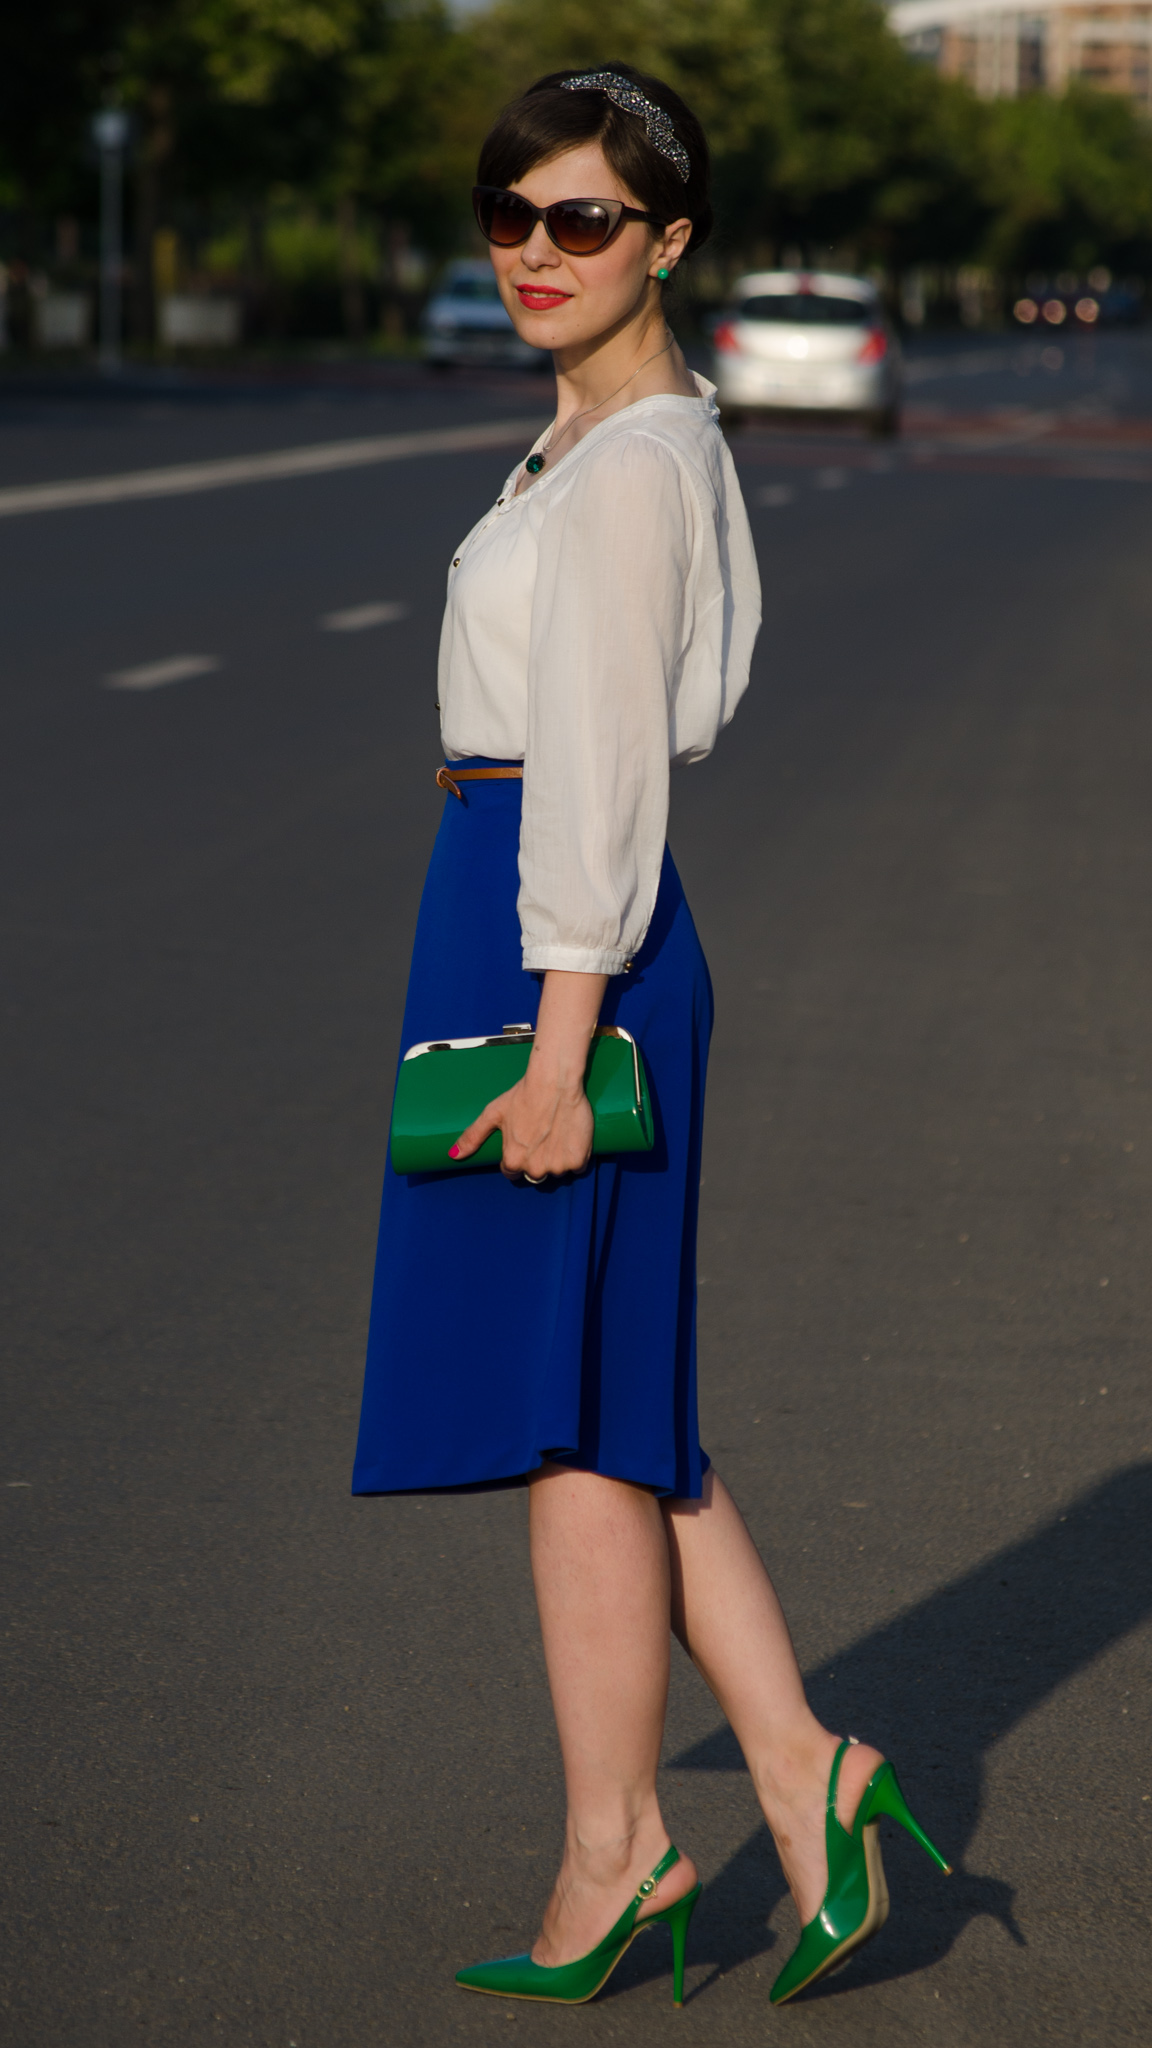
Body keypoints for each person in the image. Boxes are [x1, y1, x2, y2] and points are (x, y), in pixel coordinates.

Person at [353, 63, 950, 2009]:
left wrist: (556, 1034)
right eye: (510, 214)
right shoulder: (603, 439)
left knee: (581, 1421)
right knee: (600, 1409)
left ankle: (628, 1848)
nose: (536, 250)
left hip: (557, 938)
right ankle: (798, 1771)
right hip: (532, 924)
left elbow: (606, 769)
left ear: (669, 237)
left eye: (583, 219)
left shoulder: (629, 468)